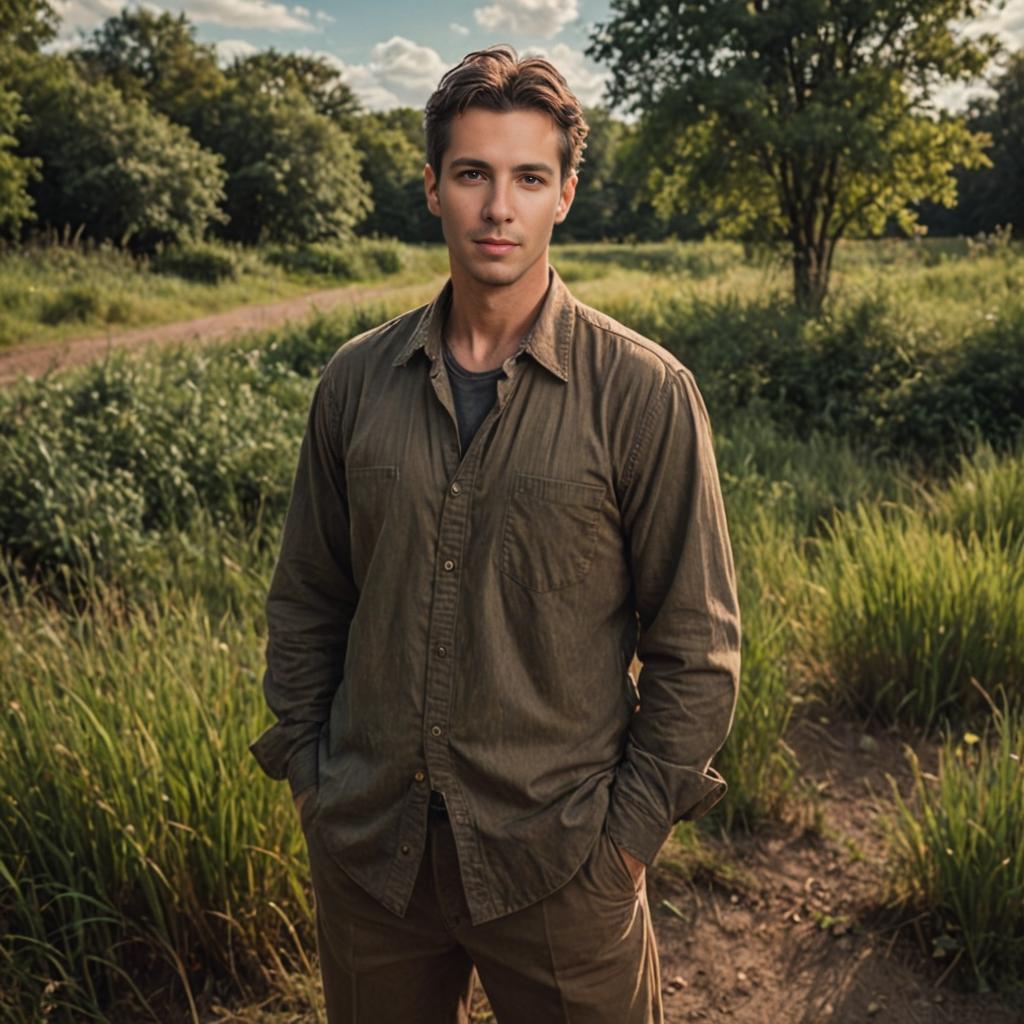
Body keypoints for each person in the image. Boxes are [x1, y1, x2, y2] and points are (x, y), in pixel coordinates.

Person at [249, 44, 741, 1024]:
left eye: (526, 177)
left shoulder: (644, 392)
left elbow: (698, 646)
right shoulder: (355, 381)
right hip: (372, 855)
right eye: (472, 173)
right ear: (432, 186)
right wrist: (311, 778)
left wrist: (627, 842)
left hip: (560, 864)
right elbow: (309, 594)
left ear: (564, 192)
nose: (497, 207)